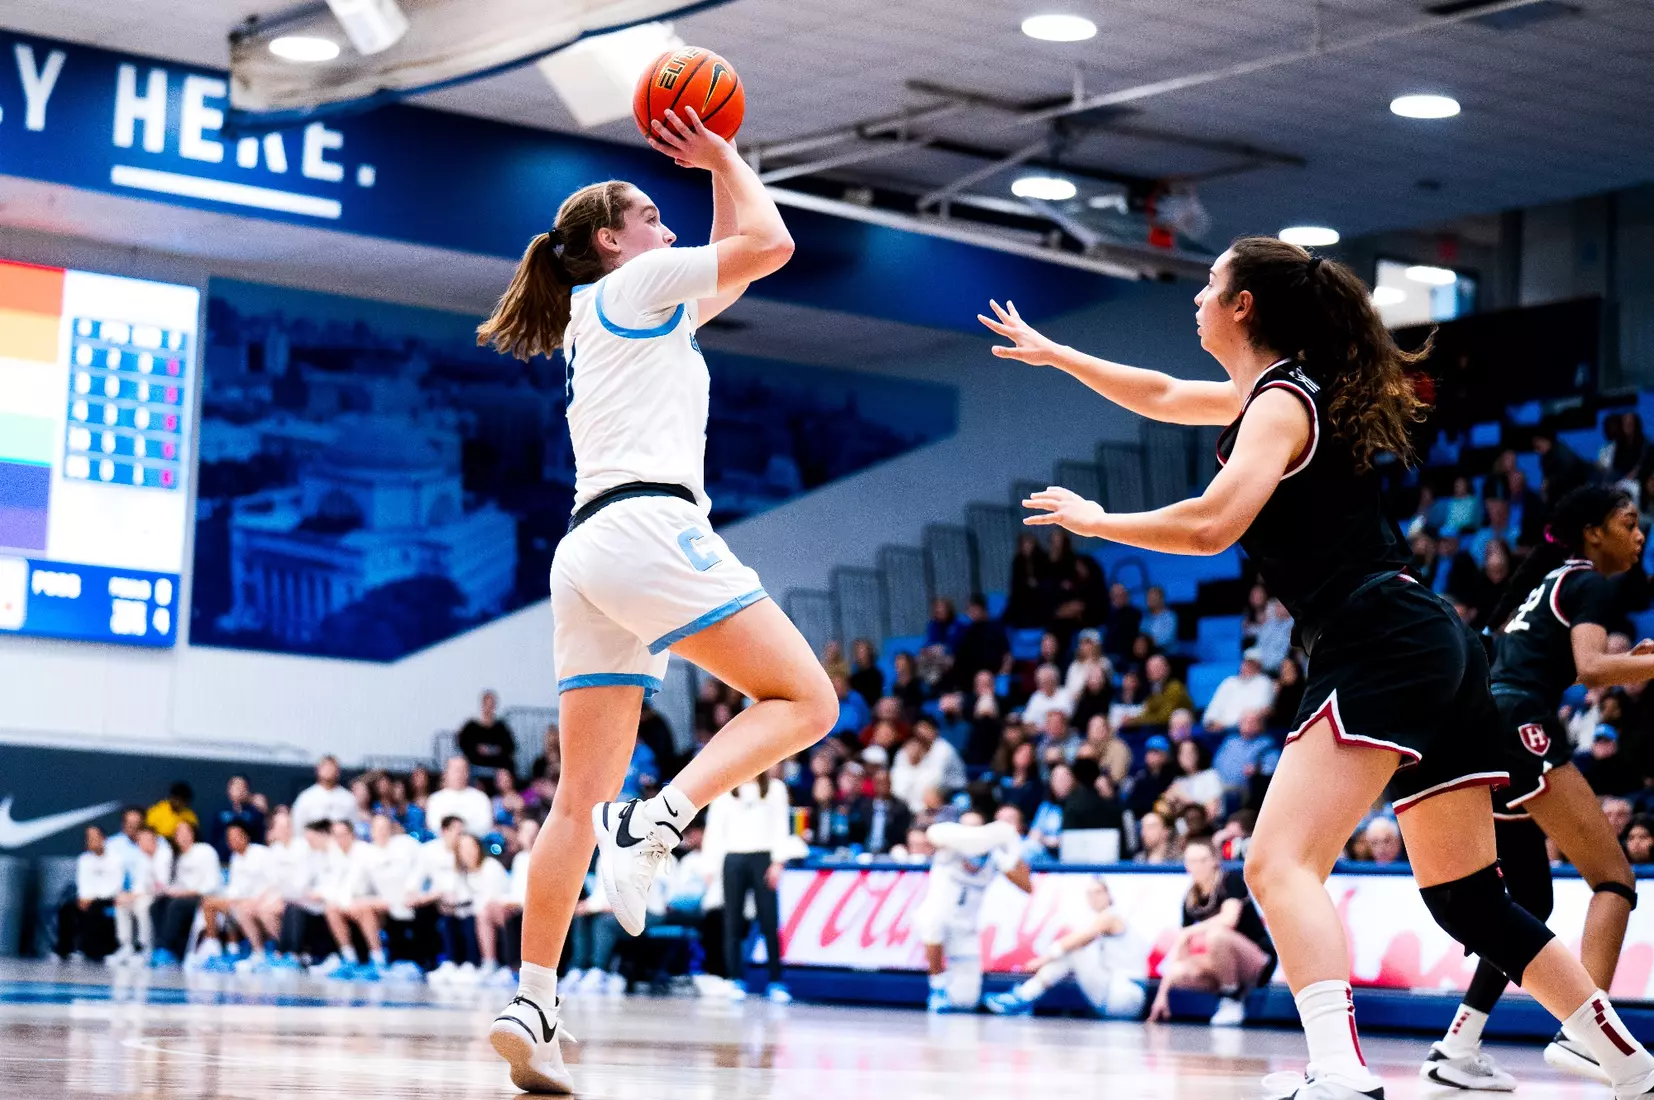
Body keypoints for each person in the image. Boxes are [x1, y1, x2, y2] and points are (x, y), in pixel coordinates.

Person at [983, 237, 1654, 1100]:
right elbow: (1154, 393)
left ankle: (1339, 1074)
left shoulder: (1279, 404)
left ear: (1245, 305)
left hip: (1377, 634)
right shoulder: (1272, 394)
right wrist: (1056, 352)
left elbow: (1207, 527)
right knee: (1468, 899)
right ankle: (1631, 1063)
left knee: (1276, 865)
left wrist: (1098, 520)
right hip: (1427, 638)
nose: (1196, 299)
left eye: (1208, 285)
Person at [1422, 486, 1654, 1091]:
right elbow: (1591, 668)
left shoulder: (1539, 587)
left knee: (1527, 902)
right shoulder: (1589, 582)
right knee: (1613, 879)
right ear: (1592, 531)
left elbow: (1569, 663)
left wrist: (1639, 661)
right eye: (1628, 523)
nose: (1640, 535)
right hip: (1521, 726)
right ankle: (1587, 1034)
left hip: (1483, 729)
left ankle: (1458, 1046)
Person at [1147, 839, 1276, 1028]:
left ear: (1215, 860)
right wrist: (1161, 996)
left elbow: (1229, 919)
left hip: (1257, 959)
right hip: (1222, 964)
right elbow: (1181, 947)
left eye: (1203, 860)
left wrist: (1191, 931)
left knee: (1217, 935)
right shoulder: (1190, 899)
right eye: (1192, 861)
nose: (1198, 866)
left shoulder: (1230, 880)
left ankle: (1231, 998)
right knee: (1179, 972)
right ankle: (1227, 990)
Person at [915, 813, 1032, 1013]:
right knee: (930, 918)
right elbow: (931, 836)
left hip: (966, 929)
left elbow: (1027, 886)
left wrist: (1011, 851)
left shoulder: (994, 856)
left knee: (966, 1001)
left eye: (977, 829)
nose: (972, 835)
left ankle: (959, 993)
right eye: (966, 828)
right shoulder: (945, 845)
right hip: (939, 923)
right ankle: (937, 985)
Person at [987, 876, 1146, 1018]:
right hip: (1119, 995)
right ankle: (1024, 997)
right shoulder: (1109, 918)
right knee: (1073, 951)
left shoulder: (1110, 916)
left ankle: (1023, 997)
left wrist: (1042, 960)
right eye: (1089, 894)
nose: (1094, 898)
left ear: (1109, 894)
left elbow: (1075, 941)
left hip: (1124, 995)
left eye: (1098, 892)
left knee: (1073, 952)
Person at [704, 767, 794, 1003]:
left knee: (769, 920)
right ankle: (734, 978)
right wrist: (710, 866)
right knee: (731, 921)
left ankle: (776, 980)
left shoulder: (775, 789)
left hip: (763, 858)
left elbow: (781, 827)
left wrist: (778, 861)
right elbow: (715, 830)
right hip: (733, 859)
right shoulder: (725, 791)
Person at [151, 820, 221, 966]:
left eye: (185, 832)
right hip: (183, 896)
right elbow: (178, 884)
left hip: (204, 897)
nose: (181, 836)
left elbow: (211, 884)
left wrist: (185, 893)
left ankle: (167, 947)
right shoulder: (178, 857)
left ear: (193, 833)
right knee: (157, 904)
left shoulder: (204, 850)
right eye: (178, 833)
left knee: (176, 905)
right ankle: (160, 948)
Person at [55, 825, 122, 963]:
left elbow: (115, 885)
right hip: (87, 897)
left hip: (108, 898)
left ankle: (91, 951)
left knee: (94, 909)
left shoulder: (116, 859)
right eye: (88, 838)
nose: (91, 841)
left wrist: (94, 897)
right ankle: (65, 950)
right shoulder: (84, 859)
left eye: (94, 838)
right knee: (66, 909)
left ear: (103, 839)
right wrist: (84, 897)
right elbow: (83, 882)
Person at [114, 826, 169, 966]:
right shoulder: (142, 858)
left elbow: (162, 885)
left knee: (142, 906)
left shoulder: (164, 854)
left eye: (145, 839)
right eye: (140, 840)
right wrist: (129, 895)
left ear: (154, 840)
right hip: (147, 894)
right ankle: (126, 946)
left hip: (164, 896)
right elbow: (139, 884)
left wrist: (136, 895)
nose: (141, 843)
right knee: (122, 903)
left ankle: (147, 948)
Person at [1203, 649, 1277, 732]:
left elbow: (1259, 710)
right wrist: (1212, 722)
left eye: (1252, 664)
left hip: (1244, 730)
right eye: (1246, 663)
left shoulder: (1264, 682)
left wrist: (1227, 725)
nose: (1248, 666)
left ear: (1259, 666)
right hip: (1218, 729)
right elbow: (1214, 706)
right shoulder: (1229, 682)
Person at [847, 767, 913, 856]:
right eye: (879, 783)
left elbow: (902, 835)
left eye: (885, 782)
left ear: (890, 784)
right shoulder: (863, 806)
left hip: (892, 851)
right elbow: (856, 832)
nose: (882, 786)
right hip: (865, 852)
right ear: (874, 784)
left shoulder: (900, 808)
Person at [426, 756, 494, 838]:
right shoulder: (435, 799)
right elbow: (434, 826)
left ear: (468, 773)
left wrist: (462, 830)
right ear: (446, 773)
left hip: (473, 844)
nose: (459, 774)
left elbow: (486, 825)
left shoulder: (481, 797)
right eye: (455, 770)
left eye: (463, 770)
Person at [458, 690, 518, 776]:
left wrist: (496, 750)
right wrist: (478, 749)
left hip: (497, 766)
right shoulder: (471, 726)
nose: (489, 708)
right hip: (476, 764)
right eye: (487, 704)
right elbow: (463, 744)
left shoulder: (501, 727)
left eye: (492, 705)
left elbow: (510, 746)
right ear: (482, 705)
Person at [1125, 655, 1193, 728]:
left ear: (1167, 669)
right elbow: (1147, 711)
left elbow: (1163, 718)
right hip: (1159, 728)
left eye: (1157, 667)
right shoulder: (1154, 688)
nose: (1152, 671)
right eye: (1149, 668)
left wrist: (1135, 721)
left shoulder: (1175, 688)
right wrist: (1132, 719)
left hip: (1180, 728)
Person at [291, 756, 356, 833]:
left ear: (338, 772)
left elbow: (354, 824)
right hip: (313, 841)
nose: (328, 771)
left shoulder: (348, 798)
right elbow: (297, 824)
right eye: (325, 767)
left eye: (331, 767)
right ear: (318, 770)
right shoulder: (306, 797)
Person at [210, 775, 266, 861]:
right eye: (234, 786)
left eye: (241, 786)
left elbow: (260, 839)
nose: (238, 790)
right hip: (224, 859)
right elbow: (215, 838)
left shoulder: (255, 814)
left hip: (248, 860)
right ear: (229, 789)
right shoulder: (220, 813)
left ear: (247, 790)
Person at [1143, 587, 1179, 652]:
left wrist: (1147, 641)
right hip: (1148, 653)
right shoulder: (1145, 617)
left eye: (1153, 597)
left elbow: (1166, 639)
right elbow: (1141, 635)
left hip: (1167, 654)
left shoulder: (1170, 617)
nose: (1149, 600)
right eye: (1148, 597)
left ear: (1161, 599)